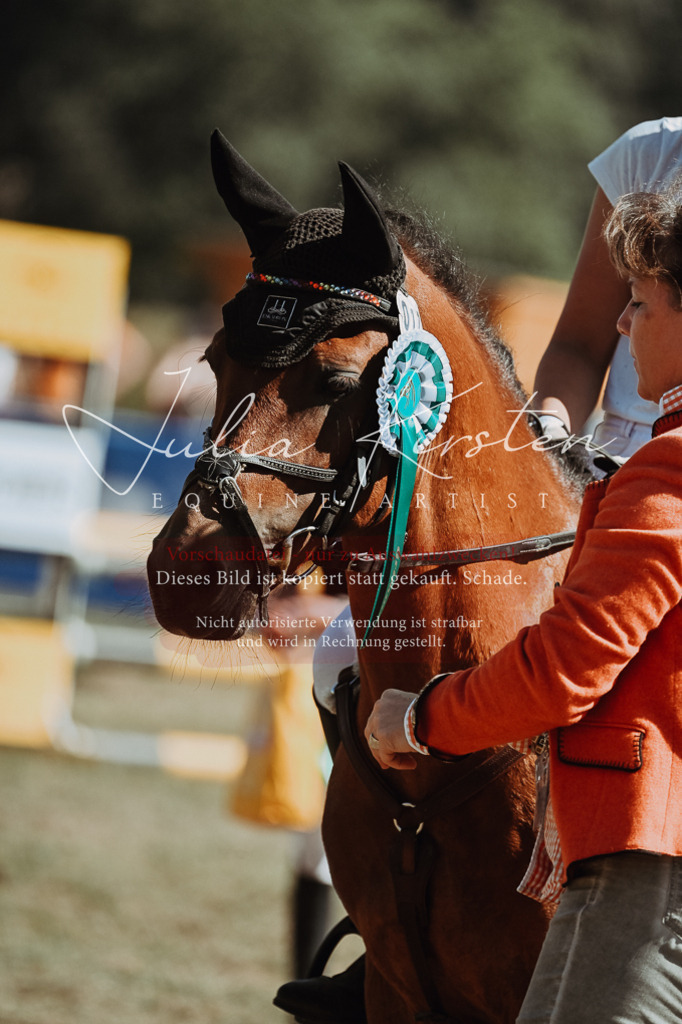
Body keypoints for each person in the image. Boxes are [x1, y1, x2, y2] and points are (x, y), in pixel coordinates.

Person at [365, 182, 682, 1023]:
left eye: (642, 302)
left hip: (656, 870)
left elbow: (563, 672)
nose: (622, 323)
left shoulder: (669, 469)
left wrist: (422, 719)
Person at [535, 115, 682, 457]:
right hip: (609, 462)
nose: (624, 321)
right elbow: (577, 347)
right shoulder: (647, 152)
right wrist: (552, 440)